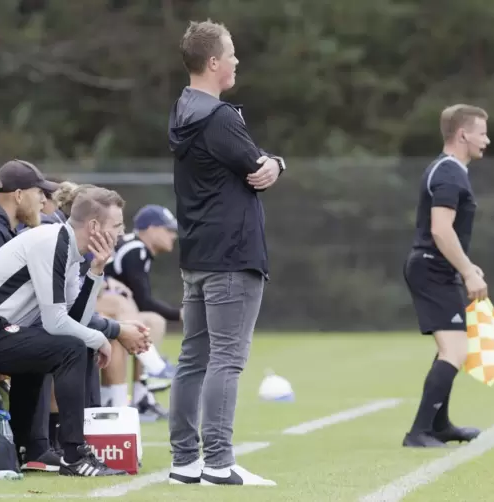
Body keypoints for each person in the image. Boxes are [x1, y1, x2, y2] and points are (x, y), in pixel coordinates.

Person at [0, 161, 150, 471]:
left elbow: (73, 318)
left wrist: (96, 271)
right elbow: (55, 322)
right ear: (93, 227)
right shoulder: (52, 242)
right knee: (70, 347)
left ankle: (32, 450)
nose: (121, 233)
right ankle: (74, 454)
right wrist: (101, 338)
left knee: (66, 342)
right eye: (117, 226)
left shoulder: (67, 246)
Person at [166, 20, 285, 486]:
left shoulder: (181, 111)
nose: (236, 60)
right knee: (226, 360)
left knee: (193, 359)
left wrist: (272, 163)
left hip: (196, 256)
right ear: (213, 62)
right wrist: (277, 162)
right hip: (232, 256)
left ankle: (183, 461)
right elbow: (257, 166)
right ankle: (217, 461)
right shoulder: (219, 117)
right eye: (231, 53)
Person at [402, 104, 490, 448]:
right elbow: (440, 230)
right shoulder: (450, 172)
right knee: (454, 349)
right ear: (463, 134)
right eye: (482, 132)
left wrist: (466, 265)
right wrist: (467, 271)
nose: (487, 140)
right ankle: (419, 433)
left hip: (437, 267)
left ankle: (438, 426)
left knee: (453, 347)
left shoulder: (450, 171)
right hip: (431, 268)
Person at [101, 204, 182, 421]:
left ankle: (142, 395)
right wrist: (180, 314)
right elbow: (143, 300)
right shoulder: (135, 249)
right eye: (168, 229)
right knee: (138, 323)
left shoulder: (136, 248)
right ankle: (120, 393)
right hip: (100, 308)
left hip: (109, 308)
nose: (173, 235)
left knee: (154, 322)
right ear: (151, 229)